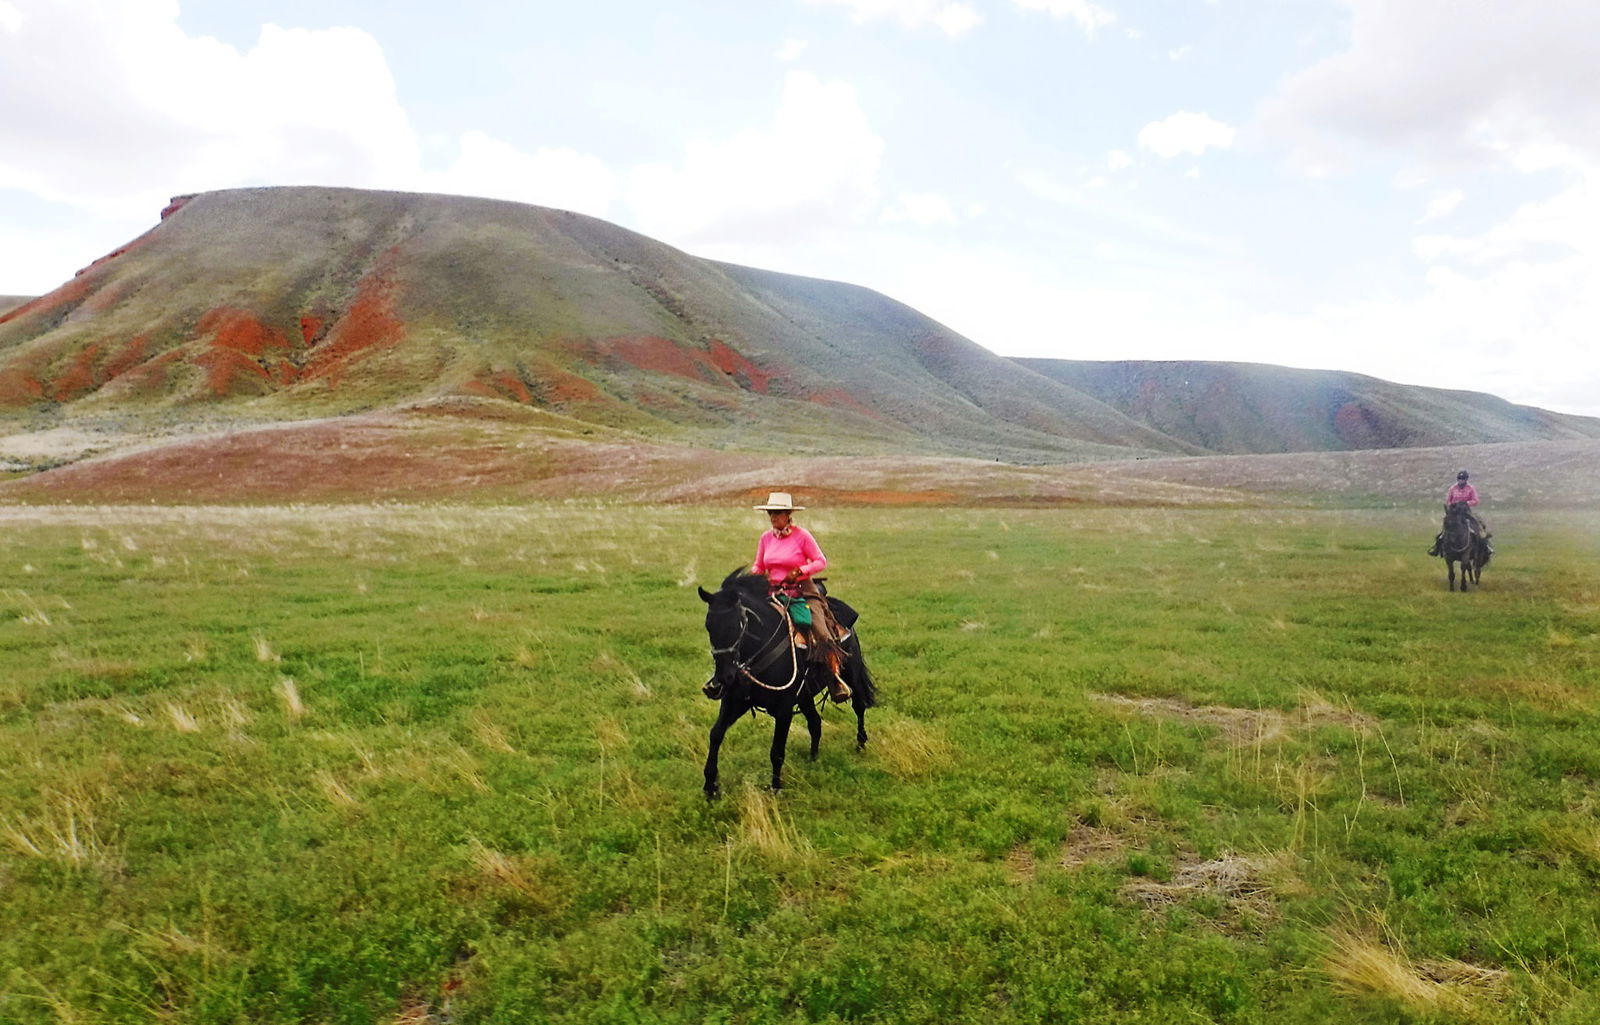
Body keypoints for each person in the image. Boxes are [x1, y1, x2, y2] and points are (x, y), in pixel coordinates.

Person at [750, 492, 851, 702]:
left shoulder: (802, 536)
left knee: (821, 632)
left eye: (777, 513)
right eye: (770, 513)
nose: (773, 517)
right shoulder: (765, 538)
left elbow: (820, 561)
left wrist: (800, 571)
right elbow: (759, 565)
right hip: (772, 592)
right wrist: (752, 576)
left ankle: (834, 679)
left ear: (788, 514)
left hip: (801, 591)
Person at [1428, 470, 1492, 556]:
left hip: (1465, 511)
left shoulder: (1471, 488)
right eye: (1459, 479)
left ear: (1466, 480)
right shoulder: (1452, 488)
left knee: (1478, 526)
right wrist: (1452, 505)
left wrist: (1466, 503)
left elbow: (1476, 500)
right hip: (1454, 512)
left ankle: (1486, 546)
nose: (1461, 481)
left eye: (1463, 479)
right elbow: (1448, 501)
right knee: (1444, 530)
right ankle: (1437, 548)